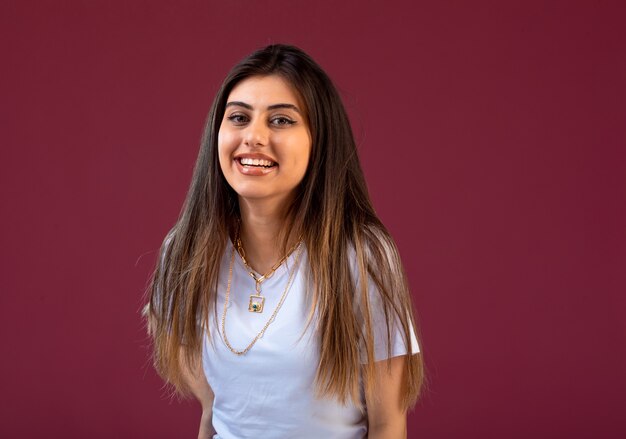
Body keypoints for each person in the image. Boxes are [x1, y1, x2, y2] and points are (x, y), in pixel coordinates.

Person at [144, 44, 424, 439]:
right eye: (239, 117)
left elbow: (388, 425)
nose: (253, 137)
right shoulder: (186, 251)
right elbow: (214, 414)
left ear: (319, 140)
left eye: (280, 121)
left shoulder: (361, 256)